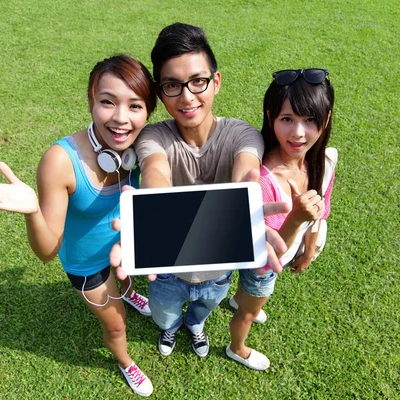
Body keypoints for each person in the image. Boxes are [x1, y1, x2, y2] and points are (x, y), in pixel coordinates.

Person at [0, 55, 157, 397]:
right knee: (115, 325)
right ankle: (126, 362)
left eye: (135, 106)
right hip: (87, 264)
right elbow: (46, 251)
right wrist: (33, 211)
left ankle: (128, 293)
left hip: (123, 250)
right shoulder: (60, 161)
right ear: (90, 102)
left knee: (123, 285)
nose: (121, 119)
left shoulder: (143, 146)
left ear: (148, 111)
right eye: (107, 102)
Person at [130, 22, 270, 359]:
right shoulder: (154, 137)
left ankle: (195, 327)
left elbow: (244, 174)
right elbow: (155, 172)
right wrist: (154, 201)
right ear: (160, 92)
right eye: (173, 86)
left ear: (216, 82)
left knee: (202, 311)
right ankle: (169, 330)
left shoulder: (243, 134)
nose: (187, 97)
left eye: (198, 82)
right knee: (164, 316)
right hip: (167, 272)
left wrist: (245, 193)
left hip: (219, 273)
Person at [226, 68, 337, 370]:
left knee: (247, 298)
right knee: (249, 313)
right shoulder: (262, 180)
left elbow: (320, 212)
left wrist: (310, 250)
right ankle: (238, 348)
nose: (298, 133)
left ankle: (240, 299)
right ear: (270, 116)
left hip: (285, 253)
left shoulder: (325, 162)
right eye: (287, 119)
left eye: (310, 120)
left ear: (325, 119)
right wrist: (296, 217)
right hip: (264, 263)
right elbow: (265, 254)